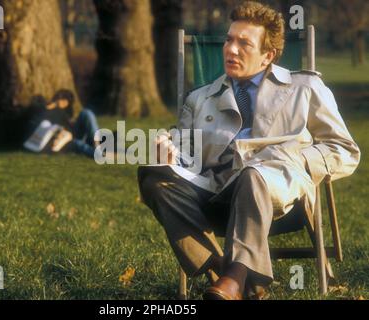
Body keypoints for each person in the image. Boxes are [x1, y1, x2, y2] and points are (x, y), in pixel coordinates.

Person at [138, 1, 360, 300]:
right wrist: (169, 155)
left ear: (268, 55)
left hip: (279, 195)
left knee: (253, 175)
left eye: (244, 43)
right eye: (229, 40)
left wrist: (297, 162)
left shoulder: (305, 88)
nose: (231, 49)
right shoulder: (200, 98)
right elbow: (186, 156)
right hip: (215, 193)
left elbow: (344, 149)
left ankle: (235, 278)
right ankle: (229, 274)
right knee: (154, 178)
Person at [25, 89, 100, 158]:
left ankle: (97, 144)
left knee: (86, 112)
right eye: (65, 100)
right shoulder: (42, 112)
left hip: (70, 134)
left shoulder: (62, 111)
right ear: (59, 99)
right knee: (77, 143)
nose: (66, 104)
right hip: (60, 140)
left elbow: (69, 124)